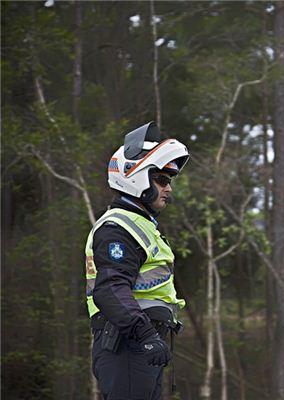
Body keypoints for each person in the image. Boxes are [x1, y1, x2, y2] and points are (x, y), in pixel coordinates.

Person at [84, 122, 189, 400]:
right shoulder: (118, 227)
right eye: (162, 180)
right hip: (128, 345)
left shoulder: (139, 225)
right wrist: (146, 336)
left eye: (169, 182)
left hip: (140, 344)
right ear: (136, 176)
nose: (169, 190)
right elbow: (110, 289)